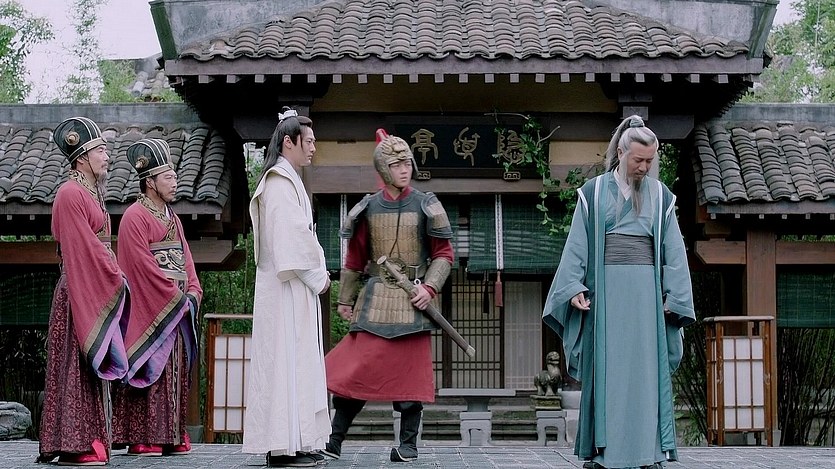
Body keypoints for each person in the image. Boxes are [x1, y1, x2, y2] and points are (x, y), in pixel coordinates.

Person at [542, 115, 696, 469]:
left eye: (650, 161)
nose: (644, 167)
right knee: (609, 373)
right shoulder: (593, 193)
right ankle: (604, 452)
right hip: (606, 295)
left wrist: (674, 298)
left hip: (645, 298)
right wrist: (573, 286)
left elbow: (674, 251)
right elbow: (577, 244)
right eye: (638, 160)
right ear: (622, 153)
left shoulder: (661, 196)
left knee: (645, 373)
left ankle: (649, 452)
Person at [322, 129, 454, 463]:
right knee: (356, 372)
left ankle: (408, 445)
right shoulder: (367, 207)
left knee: (410, 377)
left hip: (413, 301)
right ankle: (333, 440)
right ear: (383, 169)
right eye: (396, 165)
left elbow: (444, 255)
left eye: (407, 163)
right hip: (375, 300)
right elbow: (354, 259)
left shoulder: (426, 204)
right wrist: (345, 299)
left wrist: (428, 288)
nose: (404, 169)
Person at [242, 108, 331, 468]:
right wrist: (319, 275)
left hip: (293, 286)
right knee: (286, 362)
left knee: (298, 362)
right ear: (289, 142)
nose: (313, 148)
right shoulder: (279, 183)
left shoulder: (287, 180)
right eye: (308, 141)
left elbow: (300, 235)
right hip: (285, 287)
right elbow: (290, 240)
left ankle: (301, 440)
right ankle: (282, 447)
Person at [38, 117, 129, 466]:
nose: (107, 156)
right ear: (82, 157)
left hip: (95, 284)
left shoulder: (93, 192)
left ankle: (90, 437)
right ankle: (73, 443)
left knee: (90, 366)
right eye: (101, 150)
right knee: (74, 365)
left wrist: (112, 271)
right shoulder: (70, 193)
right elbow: (84, 247)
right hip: (79, 286)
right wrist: (114, 272)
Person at [111, 138, 202, 457]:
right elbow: (140, 267)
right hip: (151, 309)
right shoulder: (134, 217)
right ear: (150, 181)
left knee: (174, 371)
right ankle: (144, 436)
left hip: (176, 308)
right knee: (151, 369)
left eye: (175, 176)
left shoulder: (172, 218)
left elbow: (186, 260)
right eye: (168, 177)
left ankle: (172, 433)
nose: (175, 181)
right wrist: (174, 298)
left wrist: (193, 290)